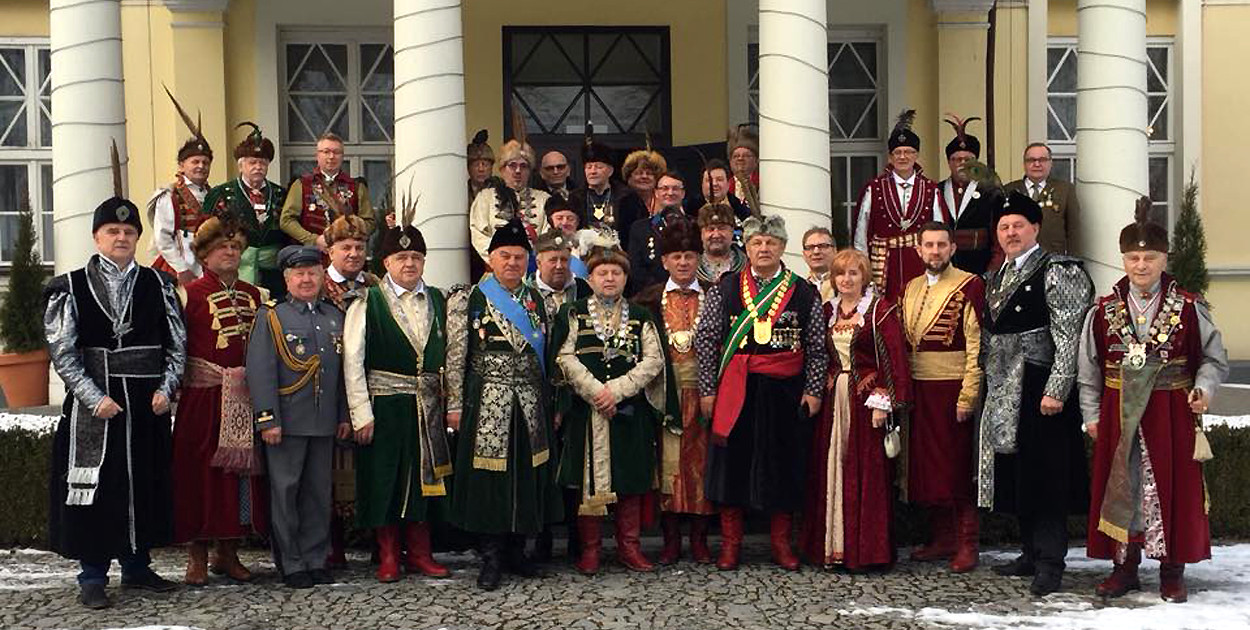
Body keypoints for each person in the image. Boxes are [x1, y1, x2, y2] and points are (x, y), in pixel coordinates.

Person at [1078, 198, 1229, 603]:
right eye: (1133, 257)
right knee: (1120, 485)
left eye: (1149, 257)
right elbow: (1089, 369)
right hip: (1118, 413)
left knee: (1170, 486)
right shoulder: (1103, 311)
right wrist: (1091, 414)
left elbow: (1214, 358)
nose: (1141, 265)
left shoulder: (1189, 308)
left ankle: (1171, 570)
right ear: (1123, 261)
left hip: (1170, 411)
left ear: (1165, 259)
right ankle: (1123, 567)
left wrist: (1204, 389)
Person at [45, 183, 186, 609]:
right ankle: (92, 574)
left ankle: (138, 566)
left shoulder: (157, 284)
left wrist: (167, 388)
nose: (121, 238)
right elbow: (63, 353)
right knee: (96, 487)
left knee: (142, 479)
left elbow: (177, 344)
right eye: (111, 231)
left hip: (146, 401)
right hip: (98, 404)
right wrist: (93, 397)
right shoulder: (69, 287)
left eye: (128, 232)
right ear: (97, 237)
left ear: (137, 238)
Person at [695, 214, 827, 571]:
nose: (764, 248)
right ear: (747, 247)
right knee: (730, 465)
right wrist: (708, 389)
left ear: (783, 248)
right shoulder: (725, 288)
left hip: (786, 391)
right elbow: (707, 340)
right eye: (756, 242)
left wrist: (814, 390)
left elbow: (817, 345)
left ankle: (782, 543)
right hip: (736, 389)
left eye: (771, 242)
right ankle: (731, 543)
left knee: (784, 465)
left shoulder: (803, 290)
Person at [978, 191, 1093, 597]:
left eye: (1018, 226)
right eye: (1004, 227)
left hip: (1041, 387)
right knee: (1019, 474)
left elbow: (1070, 335)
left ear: (1036, 229)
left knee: (1046, 477)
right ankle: (1028, 552)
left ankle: (1050, 562)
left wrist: (1058, 389)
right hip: (1006, 386)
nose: (1011, 232)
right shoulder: (996, 275)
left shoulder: (1058, 270)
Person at [446, 219, 563, 591]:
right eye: (504, 256)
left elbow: (553, 356)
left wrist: (554, 401)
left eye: (518, 257)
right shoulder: (469, 298)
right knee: (489, 477)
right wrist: (454, 404)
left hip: (530, 400)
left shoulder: (538, 301)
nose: (512, 263)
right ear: (490, 258)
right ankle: (491, 554)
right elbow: (455, 355)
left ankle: (517, 550)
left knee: (527, 474)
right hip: (487, 400)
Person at [343, 212, 454, 583]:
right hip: (385, 405)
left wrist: (449, 404)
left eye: (416, 258)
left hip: (427, 406)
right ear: (386, 263)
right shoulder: (367, 302)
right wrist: (361, 414)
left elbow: (450, 355)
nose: (410, 264)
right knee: (385, 479)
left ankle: (421, 553)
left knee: (425, 480)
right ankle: (388, 555)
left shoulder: (438, 300)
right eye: (401, 258)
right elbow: (353, 362)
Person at [552, 235, 671, 575]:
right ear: (590, 279)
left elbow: (653, 360)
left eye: (615, 273)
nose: (609, 278)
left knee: (631, 480)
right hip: (585, 413)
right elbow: (563, 355)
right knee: (587, 482)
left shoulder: (641, 315)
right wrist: (594, 392)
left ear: (625, 278)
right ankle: (590, 550)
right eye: (602, 273)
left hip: (628, 413)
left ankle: (629, 548)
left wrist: (616, 392)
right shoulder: (571, 313)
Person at [246, 245, 352, 589]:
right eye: (299, 274)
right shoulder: (272, 316)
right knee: (286, 493)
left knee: (319, 494)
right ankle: (291, 562)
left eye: (312, 273)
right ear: (286, 278)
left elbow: (339, 375)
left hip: (323, 421)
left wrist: (343, 416)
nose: (307, 279)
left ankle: (316, 557)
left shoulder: (333, 316)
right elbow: (260, 371)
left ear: (322, 276)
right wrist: (267, 419)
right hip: (286, 423)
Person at [799, 248, 911, 571]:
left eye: (853, 273)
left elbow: (894, 360)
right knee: (831, 469)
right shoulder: (826, 311)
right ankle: (832, 548)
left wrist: (884, 400)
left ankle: (866, 552)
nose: (846, 280)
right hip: (834, 401)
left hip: (865, 404)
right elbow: (816, 354)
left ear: (865, 276)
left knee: (867, 472)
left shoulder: (879, 311)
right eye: (840, 274)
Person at [172, 212, 268, 586]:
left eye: (234, 246)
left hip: (243, 399)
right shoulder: (188, 293)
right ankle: (196, 553)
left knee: (239, 477)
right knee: (199, 474)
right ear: (204, 255)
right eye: (220, 247)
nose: (229, 252)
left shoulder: (254, 295)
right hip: (202, 397)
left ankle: (227, 552)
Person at [899, 222, 985, 573]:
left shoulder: (970, 285)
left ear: (952, 248)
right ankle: (942, 538)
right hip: (918, 387)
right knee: (926, 467)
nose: (934, 251)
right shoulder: (911, 287)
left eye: (941, 245)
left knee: (957, 466)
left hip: (951, 387)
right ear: (918, 250)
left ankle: (968, 543)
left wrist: (968, 395)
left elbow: (977, 345)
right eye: (928, 245)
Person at [633, 218, 716, 565]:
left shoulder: (716, 295)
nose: (683, 262)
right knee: (667, 468)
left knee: (702, 465)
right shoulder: (646, 300)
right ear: (665, 260)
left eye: (689, 255)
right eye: (676, 256)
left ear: (699, 259)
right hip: (662, 396)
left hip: (705, 395)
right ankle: (670, 539)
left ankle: (699, 538)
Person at [527, 227, 591, 562]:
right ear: (538, 260)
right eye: (552, 259)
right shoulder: (524, 295)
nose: (559, 265)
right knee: (541, 465)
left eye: (565, 259)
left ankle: (579, 538)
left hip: (577, 392)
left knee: (576, 465)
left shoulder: (583, 292)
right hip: (536, 392)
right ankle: (542, 536)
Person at [318, 214, 378, 568]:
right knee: (331, 471)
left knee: (368, 467)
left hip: (369, 385)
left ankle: (375, 539)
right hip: (328, 387)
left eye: (359, 247)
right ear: (331, 251)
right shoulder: (319, 285)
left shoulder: (375, 285)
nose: (353, 254)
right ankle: (332, 544)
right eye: (346, 247)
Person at [853, 109, 947, 301]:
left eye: (908, 152)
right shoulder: (874, 188)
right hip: (884, 260)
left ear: (916, 155)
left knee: (920, 304)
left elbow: (940, 228)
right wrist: (862, 265)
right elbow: (861, 232)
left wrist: (938, 263)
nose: (903, 157)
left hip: (918, 260)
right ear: (890, 157)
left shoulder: (930, 189)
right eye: (898, 152)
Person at [201, 122, 289, 299]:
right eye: (252, 162)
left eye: (262, 163)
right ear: (241, 166)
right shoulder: (220, 194)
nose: (258, 167)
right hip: (233, 268)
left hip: (274, 274)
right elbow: (207, 236)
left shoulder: (281, 194)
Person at [148, 88, 212, 283]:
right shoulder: (169, 195)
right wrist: (181, 269)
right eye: (195, 162)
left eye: (205, 162)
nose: (201, 166)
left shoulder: (215, 195)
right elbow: (163, 237)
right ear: (182, 165)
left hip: (208, 266)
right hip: (176, 266)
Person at [468, 128, 551, 266]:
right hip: (496, 269)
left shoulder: (544, 199)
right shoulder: (485, 198)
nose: (518, 171)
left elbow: (547, 236)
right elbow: (478, 234)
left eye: (523, 166)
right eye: (512, 165)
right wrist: (500, 261)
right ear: (502, 169)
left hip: (533, 269)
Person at [280, 133, 376, 252]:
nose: (331, 156)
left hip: (347, 255)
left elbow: (370, 222)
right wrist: (313, 240)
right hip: (311, 255)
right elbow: (286, 220)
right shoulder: (302, 184)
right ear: (317, 155)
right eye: (326, 152)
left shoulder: (356, 186)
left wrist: (350, 237)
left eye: (336, 152)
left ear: (342, 156)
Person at [937, 115, 1002, 275]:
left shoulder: (991, 193)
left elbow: (999, 239)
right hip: (944, 271)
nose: (962, 164)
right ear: (948, 162)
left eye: (968, 159)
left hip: (980, 271)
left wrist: (992, 272)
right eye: (956, 159)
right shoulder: (936, 191)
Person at [1005, 143, 1080, 255]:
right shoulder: (1009, 190)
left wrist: (1073, 261)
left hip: (1052, 259)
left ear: (1051, 163)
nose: (1037, 164)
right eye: (1031, 160)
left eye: (1042, 160)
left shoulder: (1065, 190)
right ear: (1024, 164)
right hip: (1018, 259)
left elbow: (1074, 231)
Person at [627, 170, 688, 294]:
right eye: (665, 188)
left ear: (683, 193)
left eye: (675, 188)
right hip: (651, 297)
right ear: (656, 193)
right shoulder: (640, 228)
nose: (670, 193)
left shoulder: (694, 225)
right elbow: (636, 270)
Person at [568, 136, 629, 236]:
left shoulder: (626, 197)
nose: (593, 171)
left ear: (610, 171)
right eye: (589, 167)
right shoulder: (575, 197)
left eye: (598, 167)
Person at [617, 142, 668, 249]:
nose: (644, 177)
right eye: (639, 173)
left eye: (649, 173)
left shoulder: (665, 200)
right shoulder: (622, 202)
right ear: (629, 177)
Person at [695, 201, 746, 285]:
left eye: (722, 228)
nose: (716, 235)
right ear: (701, 233)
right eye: (710, 229)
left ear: (732, 231)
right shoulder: (690, 269)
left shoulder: (747, 265)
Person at [543, 196, 590, 279]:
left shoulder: (591, 245)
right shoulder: (542, 246)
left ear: (578, 222)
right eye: (559, 218)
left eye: (570, 218)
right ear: (551, 221)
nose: (564, 223)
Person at [727, 125, 760, 217]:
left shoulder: (764, 185)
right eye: (736, 156)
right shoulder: (725, 187)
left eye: (746, 155)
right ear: (730, 161)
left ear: (756, 160)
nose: (740, 158)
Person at [801, 227, 836, 303]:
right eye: (810, 247)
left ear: (834, 251)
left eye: (822, 246)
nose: (816, 252)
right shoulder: (799, 288)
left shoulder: (845, 284)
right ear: (804, 254)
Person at [467, 129, 496, 203]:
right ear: (468, 168)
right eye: (476, 165)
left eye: (485, 165)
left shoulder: (500, 192)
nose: (481, 169)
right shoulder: (461, 192)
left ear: (491, 167)